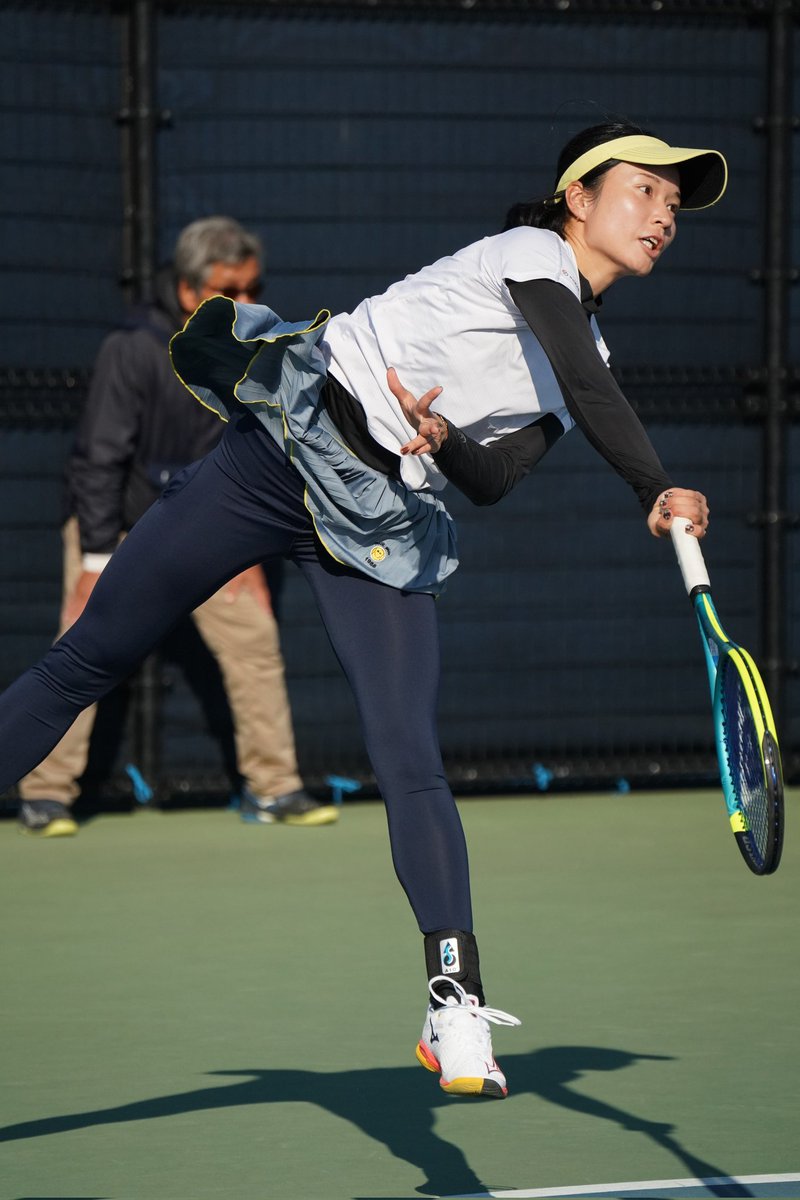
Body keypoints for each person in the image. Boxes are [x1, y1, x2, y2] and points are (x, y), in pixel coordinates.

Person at [0, 121, 723, 1097]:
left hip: (378, 523)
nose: (662, 215)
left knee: (405, 752)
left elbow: (498, 473)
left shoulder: (583, 343)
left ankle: (452, 1003)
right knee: (85, 660)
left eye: (674, 205)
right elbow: (586, 382)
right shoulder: (528, 257)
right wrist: (653, 480)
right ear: (577, 199)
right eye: (643, 191)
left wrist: (441, 436)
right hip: (280, 456)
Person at [16, 216, 338, 837]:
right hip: (118, 527)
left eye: (253, 287)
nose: (247, 302)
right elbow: (100, 458)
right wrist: (94, 559)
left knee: (255, 643)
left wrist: (245, 553)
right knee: (82, 652)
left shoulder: (256, 349)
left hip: (211, 524)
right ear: (190, 291)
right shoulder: (131, 347)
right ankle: (45, 794)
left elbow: (261, 453)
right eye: (230, 291)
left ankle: (275, 788)